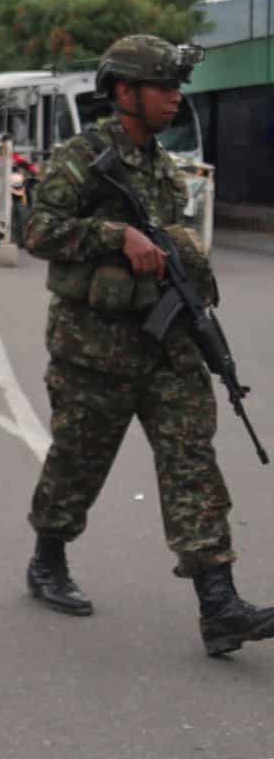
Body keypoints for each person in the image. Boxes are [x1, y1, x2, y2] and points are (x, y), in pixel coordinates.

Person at [21, 34, 274, 656]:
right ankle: (47, 559)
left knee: (191, 461)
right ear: (125, 91)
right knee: (79, 462)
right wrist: (115, 236)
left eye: (176, 87)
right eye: (163, 86)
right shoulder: (82, 157)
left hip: (166, 346)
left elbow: (172, 244)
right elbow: (39, 231)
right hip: (94, 349)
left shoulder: (163, 169)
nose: (175, 98)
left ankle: (219, 605)